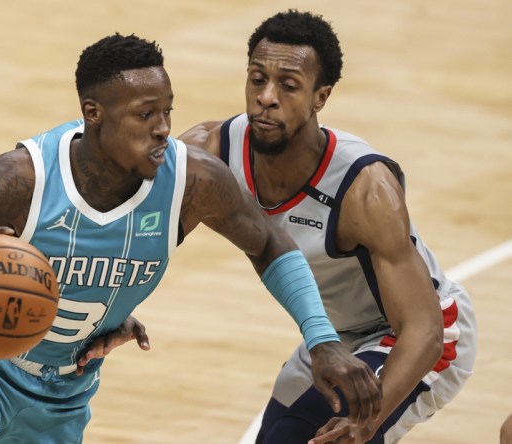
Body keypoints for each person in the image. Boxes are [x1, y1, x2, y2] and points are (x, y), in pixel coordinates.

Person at [0, 32, 382, 444]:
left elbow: (270, 245)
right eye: (145, 115)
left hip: (64, 389)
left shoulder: (194, 180)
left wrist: (322, 341)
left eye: (167, 111)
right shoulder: (19, 180)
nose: (165, 129)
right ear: (94, 113)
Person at [179, 9, 477, 443]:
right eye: (257, 79)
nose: (266, 96)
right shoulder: (210, 152)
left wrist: (366, 421)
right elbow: (146, 240)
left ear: (321, 96)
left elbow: (423, 330)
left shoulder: (364, 188)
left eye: (288, 85)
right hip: (332, 332)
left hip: (416, 332)